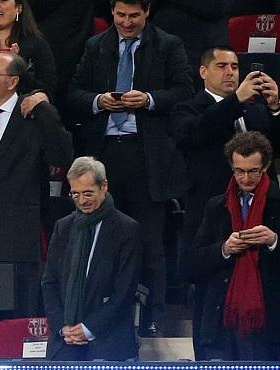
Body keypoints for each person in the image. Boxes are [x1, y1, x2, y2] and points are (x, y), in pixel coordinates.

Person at [68, 0, 194, 336]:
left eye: (134, 16)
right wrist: (98, 101)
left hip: (147, 157)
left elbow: (184, 91)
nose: (126, 22)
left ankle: (153, 315)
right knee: (105, 242)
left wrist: (149, 99)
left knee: (150, 242)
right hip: (105, 156)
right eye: (120, 15)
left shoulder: (168, 44)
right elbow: (74, 93)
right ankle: (106, 318)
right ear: (111, 11)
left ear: (147, 12)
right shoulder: (96, 45)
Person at [0, 50, 72, 317]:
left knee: (15, 321)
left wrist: (44, 107)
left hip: (16, 240)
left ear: (12, 82)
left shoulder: (32, 115)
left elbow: (62, 156)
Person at [186, 131, 280, 361]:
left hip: (265, 320)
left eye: (253, 171)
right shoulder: (216, 206)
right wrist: (224, 249)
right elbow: (193, 262)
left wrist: (273, 241)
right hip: (221, 319)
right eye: (239, 171)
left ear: (266, 166)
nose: (245, 178)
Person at [172, 46, 280, 271]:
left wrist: (275, 107)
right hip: (213, 209)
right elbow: (196, 134)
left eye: (235, 67)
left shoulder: (256, 110)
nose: (230, 72)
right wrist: (236, 100)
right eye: (221, 66)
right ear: (203, 72)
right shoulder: (186, 109)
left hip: (262, 207)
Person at [42, 156, 142, 361]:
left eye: (88, 193)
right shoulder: (63, 227)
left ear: (103, 186)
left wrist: (88, 328)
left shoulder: (126, 229)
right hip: (65, 342)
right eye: (75, 194)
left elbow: (124, 291)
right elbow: (49, 282)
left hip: (108, 342)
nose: (81, 201)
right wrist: (63, 327)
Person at [0, 0, 57, 97]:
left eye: (2, 0)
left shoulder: (37, 46)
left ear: (18, 8)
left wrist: (18, 67)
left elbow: (47, 88)